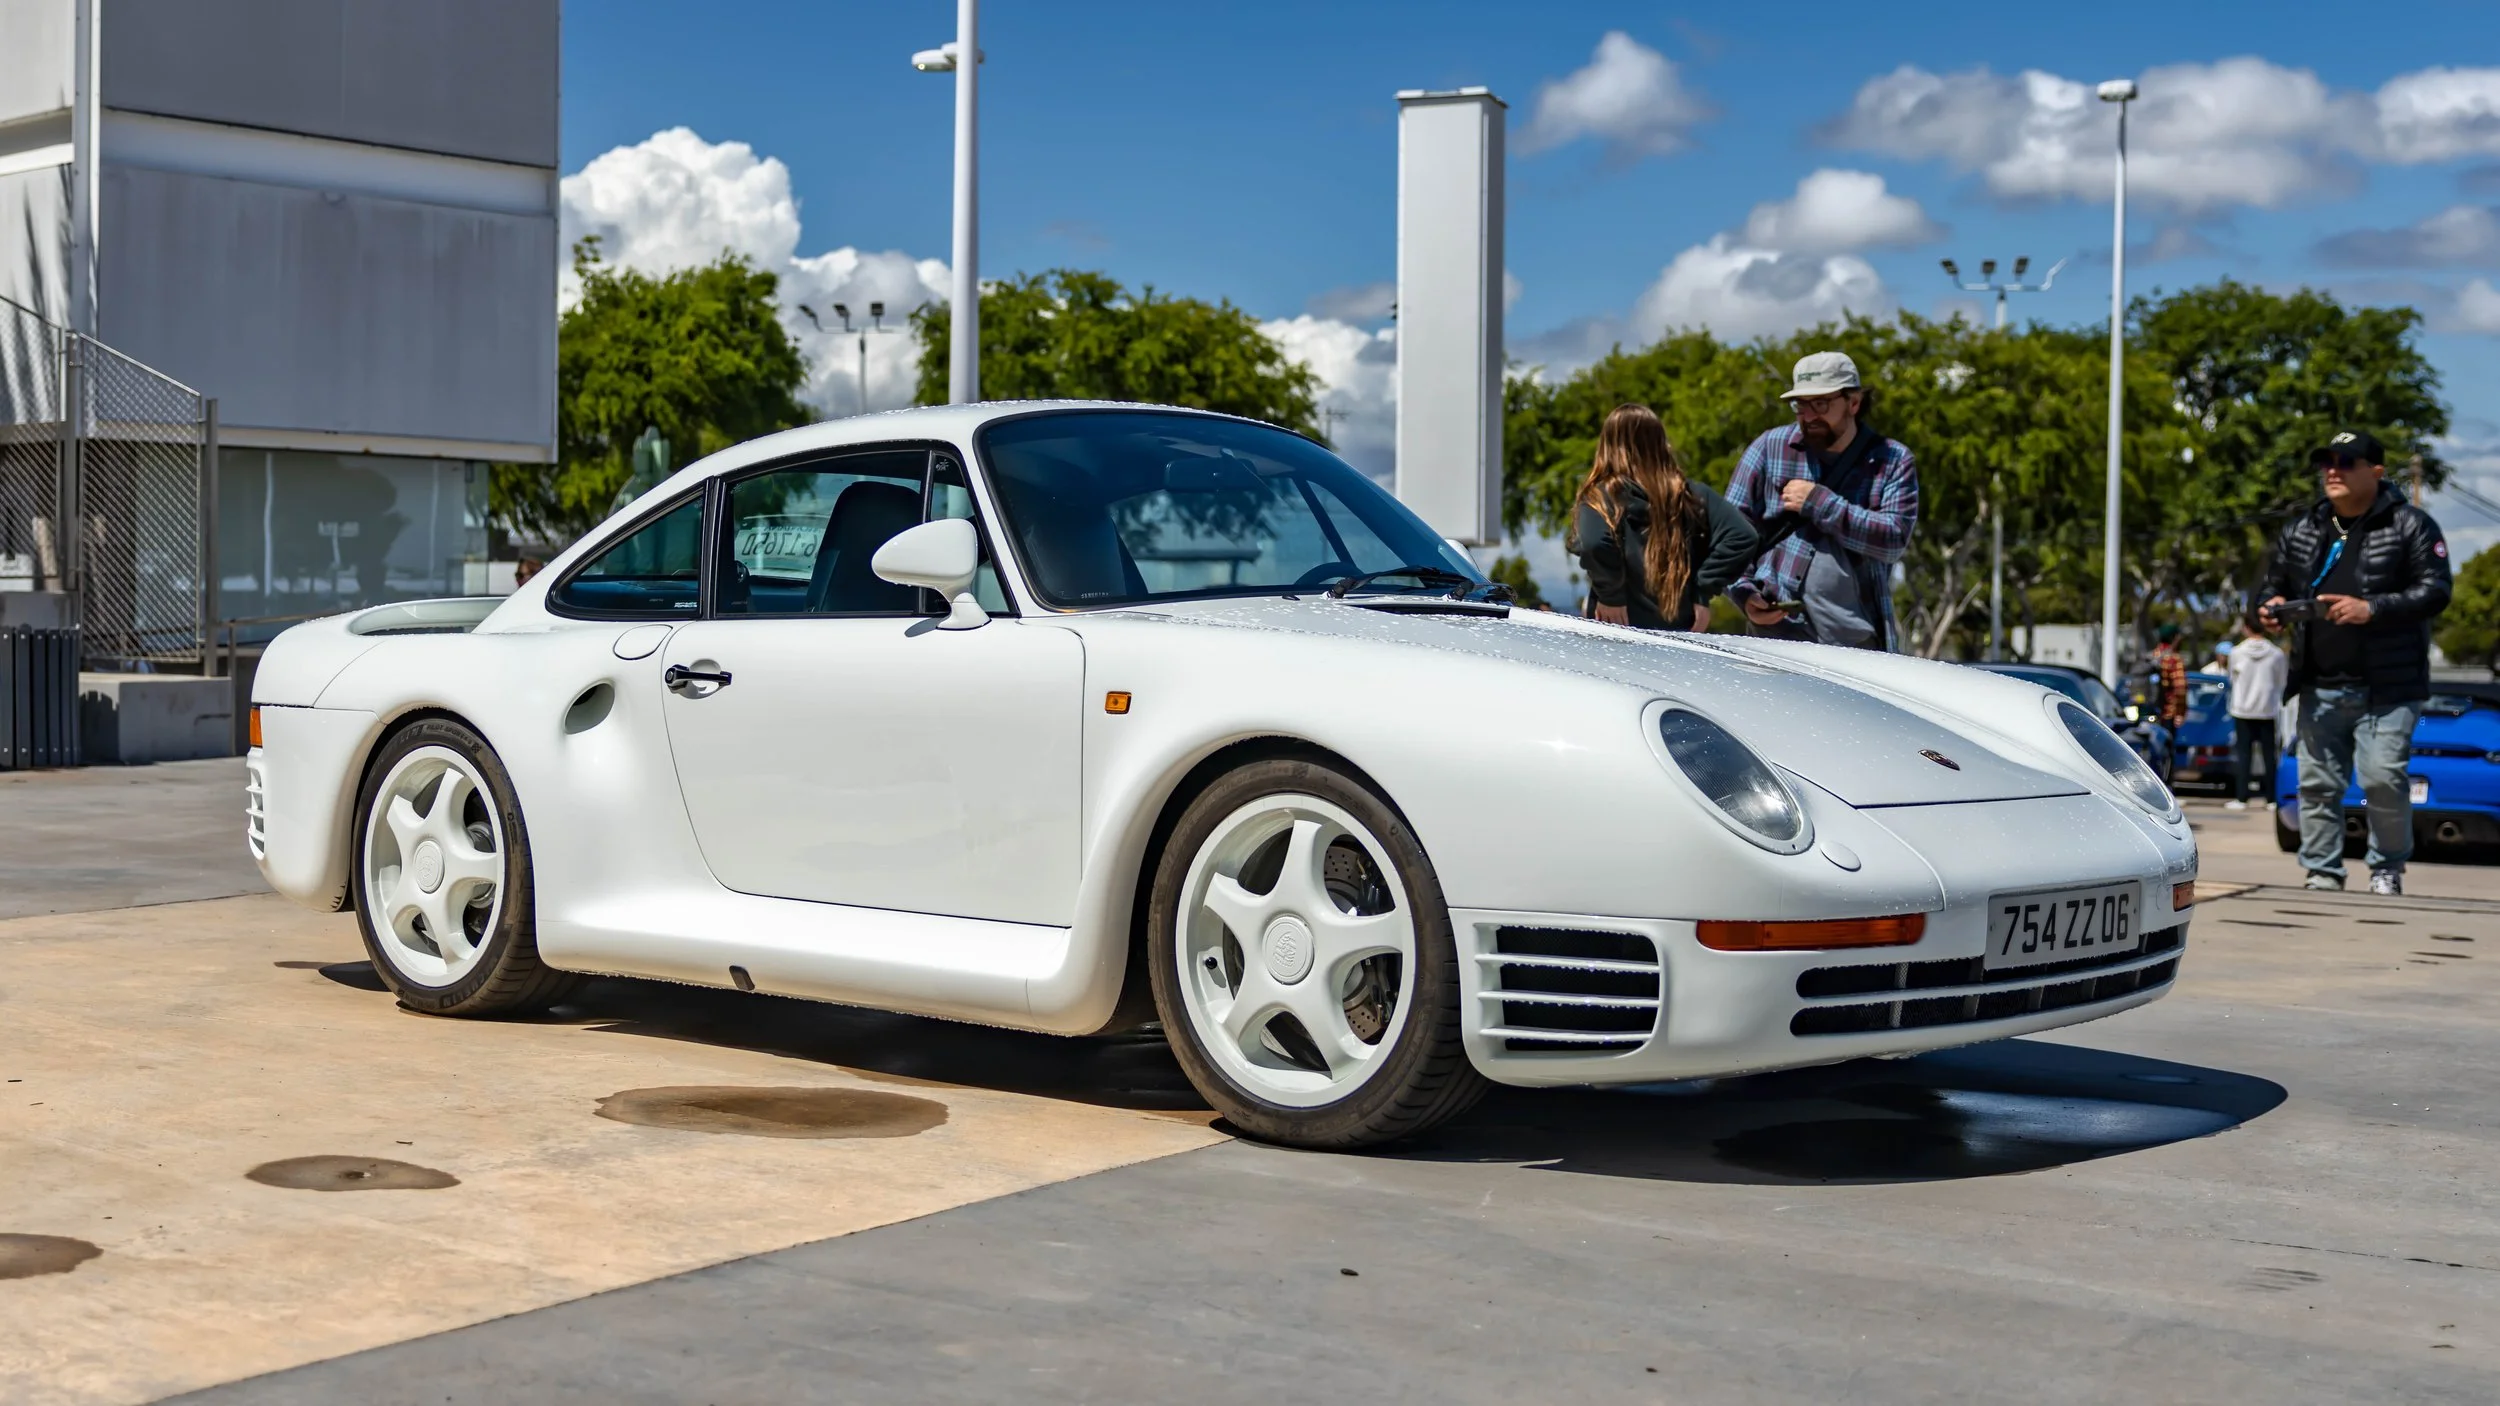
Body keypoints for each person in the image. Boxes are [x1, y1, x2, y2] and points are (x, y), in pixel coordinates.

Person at [2258, 429, 2452, 894]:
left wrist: (2373, 608)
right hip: (2319, 682)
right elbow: (2270, 584)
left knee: (2383, 778)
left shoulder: (2411, 525)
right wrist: (2270, 608)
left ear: (2377, 472)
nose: (2333, 470)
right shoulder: (2303, 529)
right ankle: (2322, 872)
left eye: (2346, 462)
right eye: (2327, 462)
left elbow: (2436, 590)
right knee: (2317, 786)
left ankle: (2387, 867)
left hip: (2388, 687)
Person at [1724, 351, 1919, 650]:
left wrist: (1818, 501)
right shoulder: (1770, 447)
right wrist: (1745, 594)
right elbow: (1727, 532)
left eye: (1820, 404)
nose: (1809, 416)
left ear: (1853, 403)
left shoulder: (1892, 459)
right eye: (1800, 406)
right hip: (1778, 638)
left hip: (1858, 644)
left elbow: (1892, 540)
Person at [1571, 404, 1759, 631]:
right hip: (1680, 627)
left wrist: (1611, 596)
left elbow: (1594, 543)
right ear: (1660, 443)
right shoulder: (1690, 495)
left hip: (1615, 627)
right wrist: (1702, 590)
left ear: (1607, 445)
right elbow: (1743, 536)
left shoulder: (1600, 497)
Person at [2223, 614, 2286, 812]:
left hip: (2242, 709)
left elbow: (2231, 678)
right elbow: (2281, 681)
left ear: (2246, 628)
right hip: (2267, 710)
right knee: (2270, 756)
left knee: (2244, 755)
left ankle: (2242, 798)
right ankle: (2271, 799)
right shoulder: (2276, 653)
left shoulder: (2236, 652)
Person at [2150, 625, 2189, 731]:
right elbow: (2180, 689)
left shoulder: (2154, 655)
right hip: (2168, 714)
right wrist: (2180, 713)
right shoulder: (2174, 659)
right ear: (2174, 638)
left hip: (2152, 713)